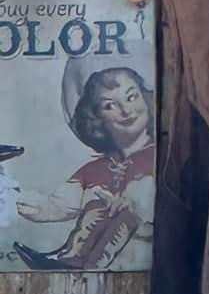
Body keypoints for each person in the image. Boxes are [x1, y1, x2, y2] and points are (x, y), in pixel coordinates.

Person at [13, 66, 156, 271]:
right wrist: (15, 197)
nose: (127, 111)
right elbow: (57, 205)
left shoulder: (158, 157)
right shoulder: (93, 170)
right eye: (110, 106)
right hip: (89, 284)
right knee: (98, 208)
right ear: (96, 117)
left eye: (132, 97)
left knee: (123, 214)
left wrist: (135, 206)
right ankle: (70, 259)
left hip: (139, 272)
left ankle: (83, 263)